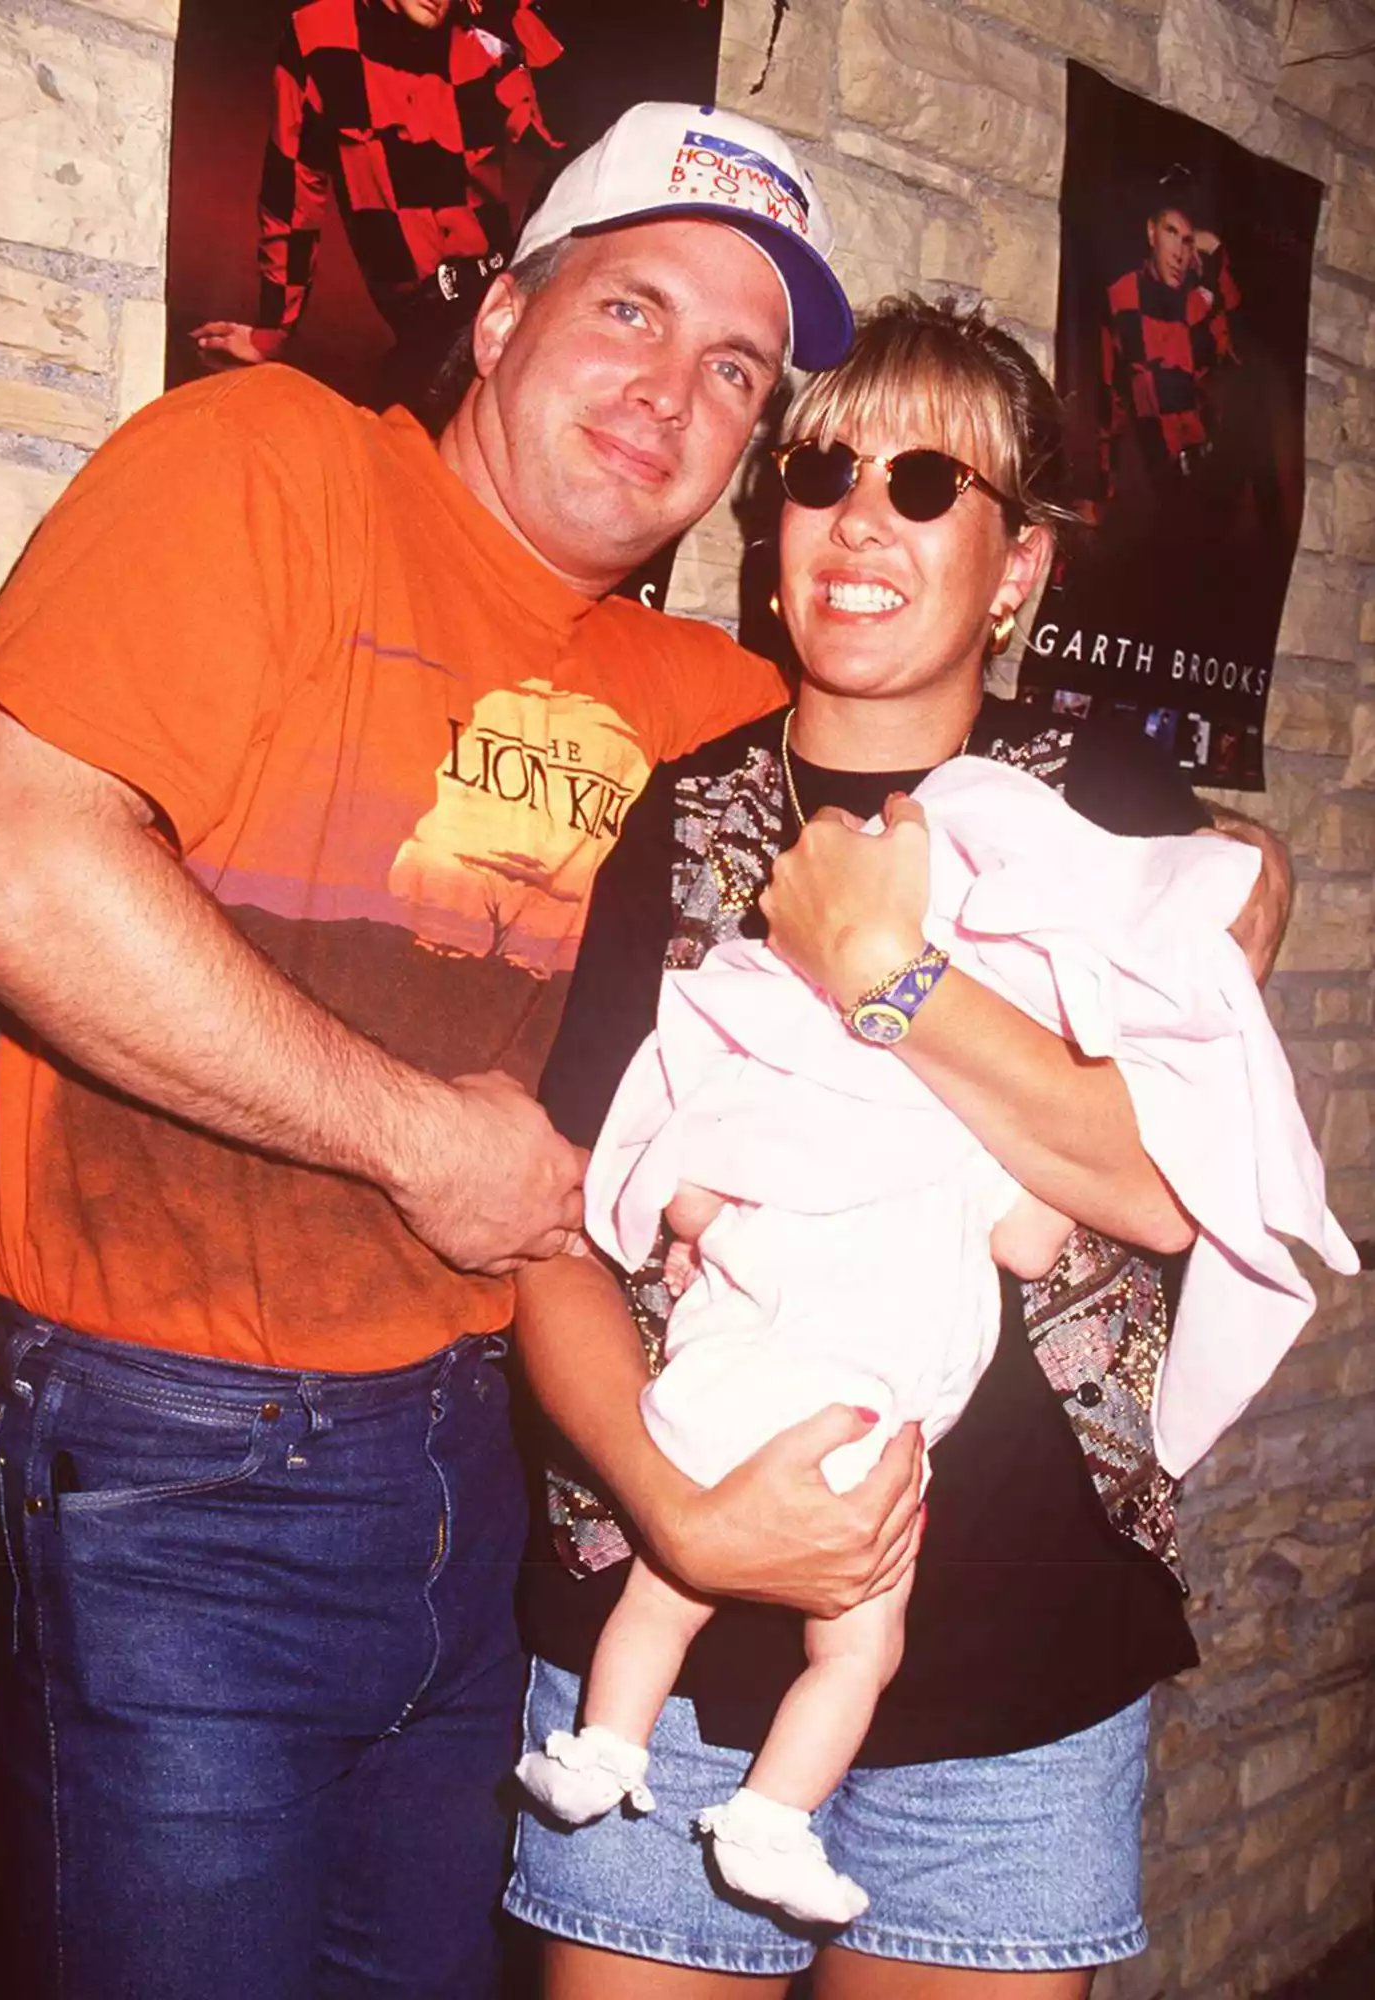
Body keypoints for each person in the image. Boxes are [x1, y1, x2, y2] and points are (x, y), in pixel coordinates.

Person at [0, 100, 861, 2000]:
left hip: (479, 1467)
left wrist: (1186, 850)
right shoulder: (268, 461)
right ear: (503, 317)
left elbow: (943, 777)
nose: (674, 391)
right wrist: (422, 1140)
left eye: (735, 369)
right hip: (179, 1466)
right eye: (631, 313)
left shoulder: (696, 698)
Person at [506, 297, 1294, 1996]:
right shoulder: (683, 812)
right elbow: (554, 1228)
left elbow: (1172, 1187)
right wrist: (679, 1514)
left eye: (931, 481)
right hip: (667, 1656)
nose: (863, 519)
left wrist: (889, 975)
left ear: (1019, 566)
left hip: (1011, 1683)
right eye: (820, 471)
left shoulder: (1102, 814)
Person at [191, 0, 566, 412]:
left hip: (500, 305)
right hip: (421, 329)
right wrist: (273, 332)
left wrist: (517, 14)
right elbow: (291, 192)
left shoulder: (486, 46)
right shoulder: (319, 39)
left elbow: (562, 139)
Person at [1098, 169, 1240, 521]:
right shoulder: (1123, 296)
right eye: (1171, 233)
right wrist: (1100, 491)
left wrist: (1217, 252)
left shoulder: (1202, 305)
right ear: (1151, 232)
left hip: (1208, 490)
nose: (1178, 252)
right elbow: (1105, 397)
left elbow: (1239, 336)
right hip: (1148, 491)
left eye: (1189, 241)